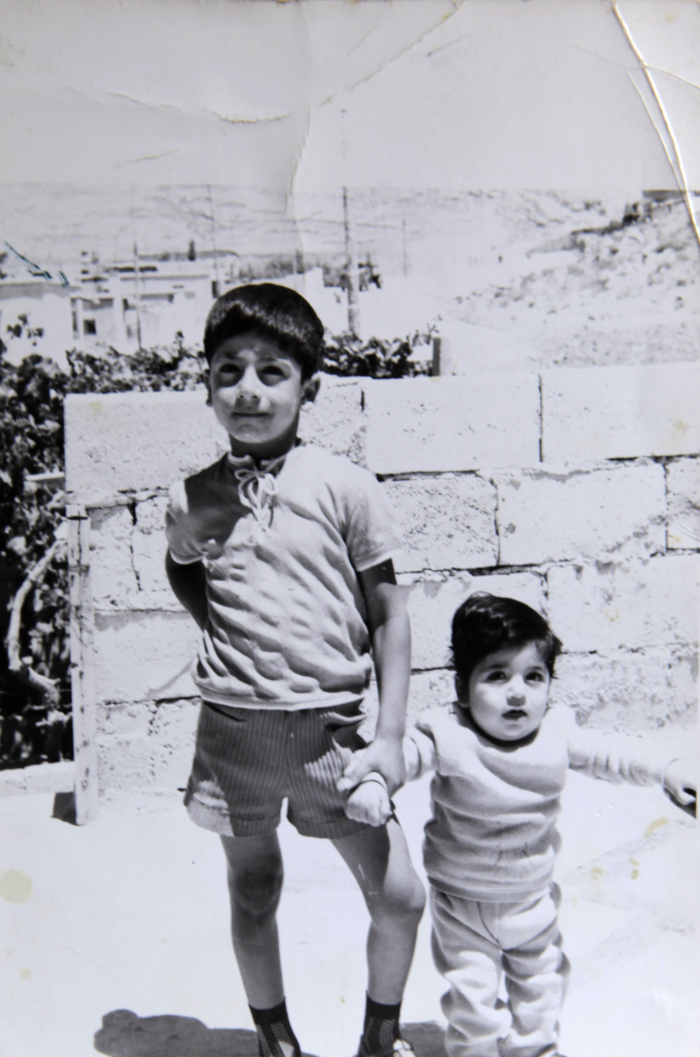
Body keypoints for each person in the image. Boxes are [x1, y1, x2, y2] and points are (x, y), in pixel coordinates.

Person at [164, 283, 425, 1057]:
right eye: (228, 370)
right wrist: (229, 636)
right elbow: (186, 570)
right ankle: (275, 1039)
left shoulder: (345, 485)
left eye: (272, 371)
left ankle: (380, 1033)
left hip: (332, 733)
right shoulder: (197, 493)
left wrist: (388, 736)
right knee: (253, 889)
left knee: (400, 895)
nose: (248, 389)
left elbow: (390, 615)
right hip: (233, 731)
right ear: (206, 384)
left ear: (308, 387)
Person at [342, 593, 696, 1057]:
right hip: (463, 906)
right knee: (473, 1007)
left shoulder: (557, 731)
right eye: (497, 675)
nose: (517, 692)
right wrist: (373, 782)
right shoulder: (447, 731)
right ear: (464, 689)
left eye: (534, 677)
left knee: (542, 993)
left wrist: (665, 770)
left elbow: (614, 755)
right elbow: (403, 757)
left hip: (531, 902)